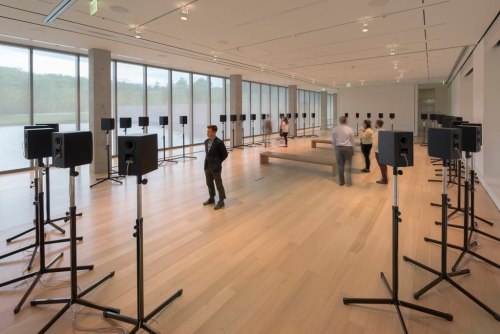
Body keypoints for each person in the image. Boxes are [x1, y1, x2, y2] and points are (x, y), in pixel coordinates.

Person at [203, 125, 228, 210]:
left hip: (216, 167)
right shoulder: (206, 142)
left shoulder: (219, 142)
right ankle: (211, 198)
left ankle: (221, 201)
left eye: (209, 131)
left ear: (214, 132)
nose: (207, 133)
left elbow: (225, 155)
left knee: (218, 183)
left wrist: (218, 162)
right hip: (207, 166)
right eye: (207, 131)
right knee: (209, 183)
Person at [332, 115, 355, 186]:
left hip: (339, 148)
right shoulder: (350, 129)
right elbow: (352, 141)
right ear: (346, 121)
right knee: (349, 165)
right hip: (348, 148)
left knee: (340, 165)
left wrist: (335, 148)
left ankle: (341, 182)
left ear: (339, 121)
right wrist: (353, 150)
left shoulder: (335, 129)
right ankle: (349, 182)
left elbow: (333, 140)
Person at [373, 119, 388, 184]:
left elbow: (375, 144)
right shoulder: (385, 131)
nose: (375, 124)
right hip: (385, 151)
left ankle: (384, 180)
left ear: (377, 124)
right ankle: (384, 177)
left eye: (375, 123)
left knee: (381, 165)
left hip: (378, 151)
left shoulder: (377, 133)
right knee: (384, 165)